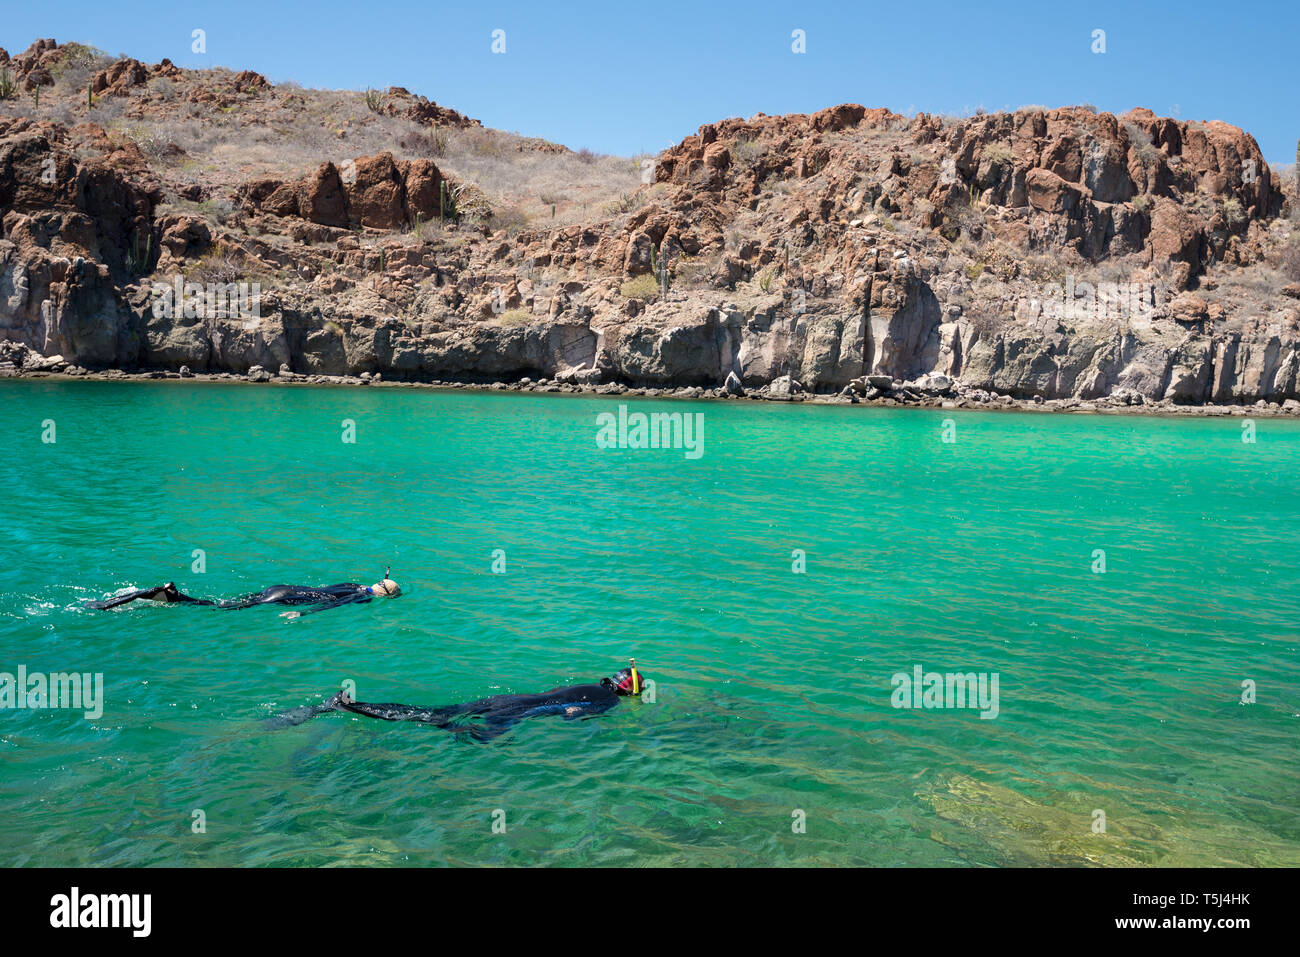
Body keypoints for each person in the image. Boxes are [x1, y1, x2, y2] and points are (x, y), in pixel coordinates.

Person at [269, 662, 648, 740]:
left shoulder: (587, 683)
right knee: (435, 723)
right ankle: (350, 708)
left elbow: (558, 696)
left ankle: (347, 703)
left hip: (505, 698)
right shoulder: (609, 704)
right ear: (627, 692)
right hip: (519, 710)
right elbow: (565, 712)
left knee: (433, 714)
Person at [86, 569, 402, 617]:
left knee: (232, 601)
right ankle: (170, 596)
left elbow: (336, 591)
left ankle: (170, 595)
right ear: (383, 595)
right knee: (219, 608)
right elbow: (331, 606)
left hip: (283, 586)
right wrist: (301, 613)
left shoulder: (355, 583)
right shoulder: (361, 596)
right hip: (289, 598)